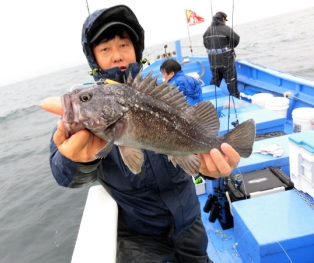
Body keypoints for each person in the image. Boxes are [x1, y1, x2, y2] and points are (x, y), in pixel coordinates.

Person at [49, 5, 240, 263]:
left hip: (190, 223)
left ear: (136, 51)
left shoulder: (160, 92)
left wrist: (209, 168)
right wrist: (77, 161)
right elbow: (65, 176)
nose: (116, 55)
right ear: (94, 58)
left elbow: (192, 158)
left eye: (124, 45)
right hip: (139, 238)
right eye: (105, 48)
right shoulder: (84, 118)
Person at [203, 11, 240, 99]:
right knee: (231, 81)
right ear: (223, 19)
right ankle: (235, 100)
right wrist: (230, 46)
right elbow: (236, 39)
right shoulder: (225, 28)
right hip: (226, 62)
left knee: (215, 80)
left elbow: (206, 44)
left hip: (213, 62)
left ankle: (210, 99)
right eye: (225, 20)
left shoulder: (208, 30)